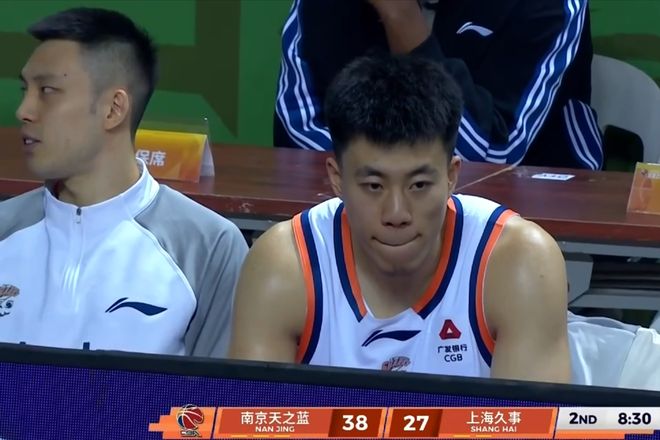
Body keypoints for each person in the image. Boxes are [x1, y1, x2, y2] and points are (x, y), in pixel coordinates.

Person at [231, 54, 571, 383]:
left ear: (451, 176)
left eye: (419, 185)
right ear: (337, 178)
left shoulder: (516, 261)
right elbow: (249, 414)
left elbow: (530, 419)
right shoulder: (286, 264)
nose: (396, 213)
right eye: (374, 186)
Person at [0, 8, 247, 357]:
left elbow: (220, 390)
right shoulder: (5, 230)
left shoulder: (208, 247)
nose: (23, 110)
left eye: (48, 90)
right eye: (25, 89)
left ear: (114, 109)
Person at [274, 0, 602, 170]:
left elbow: (492, 157)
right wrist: (385, 185)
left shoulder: (546, 5)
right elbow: (300, 131)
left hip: (520, 222)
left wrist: (403, 20)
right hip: (345, 210)